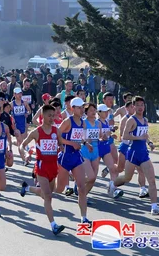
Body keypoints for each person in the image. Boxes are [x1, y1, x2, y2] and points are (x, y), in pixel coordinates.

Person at [19, 104, 66, 235]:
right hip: (41, 167)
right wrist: (26, 154)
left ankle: (27, 188)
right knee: (48, 196)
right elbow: (22, 145)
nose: (52, 118)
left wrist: (61, 148)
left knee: (47, 194)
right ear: (43, 116)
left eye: (53, 115)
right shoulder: (36, 132)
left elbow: (61, 144)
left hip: (53, 167)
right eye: (49, 115)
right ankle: (53, 225)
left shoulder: (56, 131)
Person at [114, 96, 159, 215]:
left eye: (142, 105)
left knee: (152, 180)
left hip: (144, 154)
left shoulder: (145, 120)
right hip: (132, 153)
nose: (140, 107)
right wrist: (138, 138)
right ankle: (112, 185)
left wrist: (150, 143)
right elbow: (124, 136)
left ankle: (154, 207)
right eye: (138, 105)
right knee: (127, 178)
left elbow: (145, 134)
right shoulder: (131, 120)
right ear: (133, 106)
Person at [56, 97, 92, 226]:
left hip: (76, 157)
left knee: (82, 187)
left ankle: (84, 217)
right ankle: (40, 191)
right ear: (72, 109)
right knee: (59, 189)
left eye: (83, 107)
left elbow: (79, 137)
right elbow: (56, 136)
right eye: (79, 107)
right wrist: (71, 143)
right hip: (65, 157)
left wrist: (85, 143)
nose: (82, 109)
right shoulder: (67, 121)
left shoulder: (82, 123)